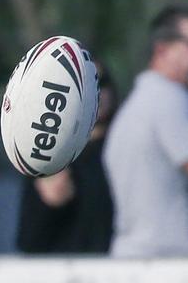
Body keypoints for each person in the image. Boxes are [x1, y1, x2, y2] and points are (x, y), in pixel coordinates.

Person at [103, 6, 188, 256]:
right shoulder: (170, 99)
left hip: (140, 266)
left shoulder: (142, 101)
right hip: (167, 272)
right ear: (162, 49)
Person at [16, 64, 117, 253]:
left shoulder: (125, 146)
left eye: (101, 83)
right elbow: (27, 242)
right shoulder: (47, 154)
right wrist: (47, 206)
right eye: (86, 86)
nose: (97, 93)